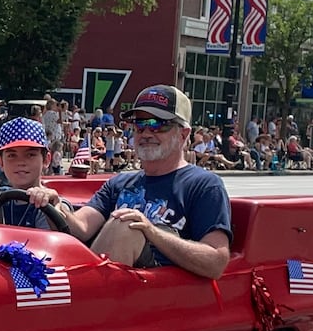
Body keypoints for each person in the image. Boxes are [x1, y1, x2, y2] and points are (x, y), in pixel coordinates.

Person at [64, 85, 231, 278]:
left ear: (183, 134)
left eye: (158, 124)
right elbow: (81, 227)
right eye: (139, 124)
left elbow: (216, 262)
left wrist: (151, 231)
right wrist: (53, 203)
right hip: (115, 288)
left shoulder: (204, 185)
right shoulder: (118, 183)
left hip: (160, 295)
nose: (146, 133)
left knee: (126, 224)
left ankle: (87, 301)